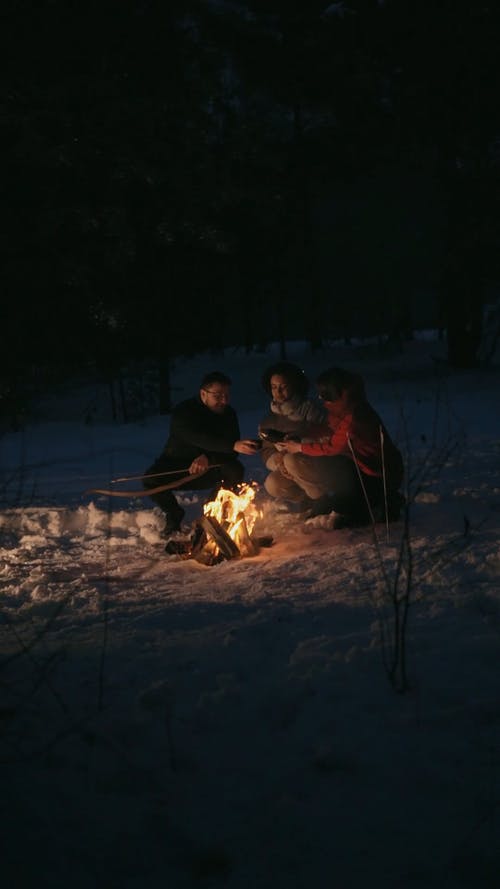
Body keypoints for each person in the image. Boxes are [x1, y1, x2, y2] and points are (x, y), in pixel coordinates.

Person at [275, 366, 404, 527]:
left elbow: (332, 447)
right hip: (359, 468)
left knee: (330, 465)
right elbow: (331, 428)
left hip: (377, 475)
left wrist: (300, 447)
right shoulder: (344, 406)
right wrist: (302, 434)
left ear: (336, 392)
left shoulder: (355, 415)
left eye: (324, 394)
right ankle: (342, 503)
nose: (321, 399)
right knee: (333, 472)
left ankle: (380, 502)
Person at [143, 371, 259, 534]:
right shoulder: (184, 411)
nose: (224, 400)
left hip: (209, 469)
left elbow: (231, 452)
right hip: (179, 466)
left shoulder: (228, 413)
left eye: (227, 395)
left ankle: (212, 515)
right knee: (150, 479)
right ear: (203, 394)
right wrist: (226, 446)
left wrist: (209, 459)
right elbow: (195, 437)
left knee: (234, 469)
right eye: (218, 396)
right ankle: (174, 513)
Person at [258, 361, 326, 507]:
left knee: (290, 460)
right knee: (272, 484)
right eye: (274, 387)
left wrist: (299, 441)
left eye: (283, 386)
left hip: (316, 464)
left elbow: (324, 438)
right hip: (288, 466)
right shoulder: (270, 420)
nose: (278, 392)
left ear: (295, 385)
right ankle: (305, 500)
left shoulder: (310, 410)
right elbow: (266, 449)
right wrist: (277, 461)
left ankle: (321, 499)